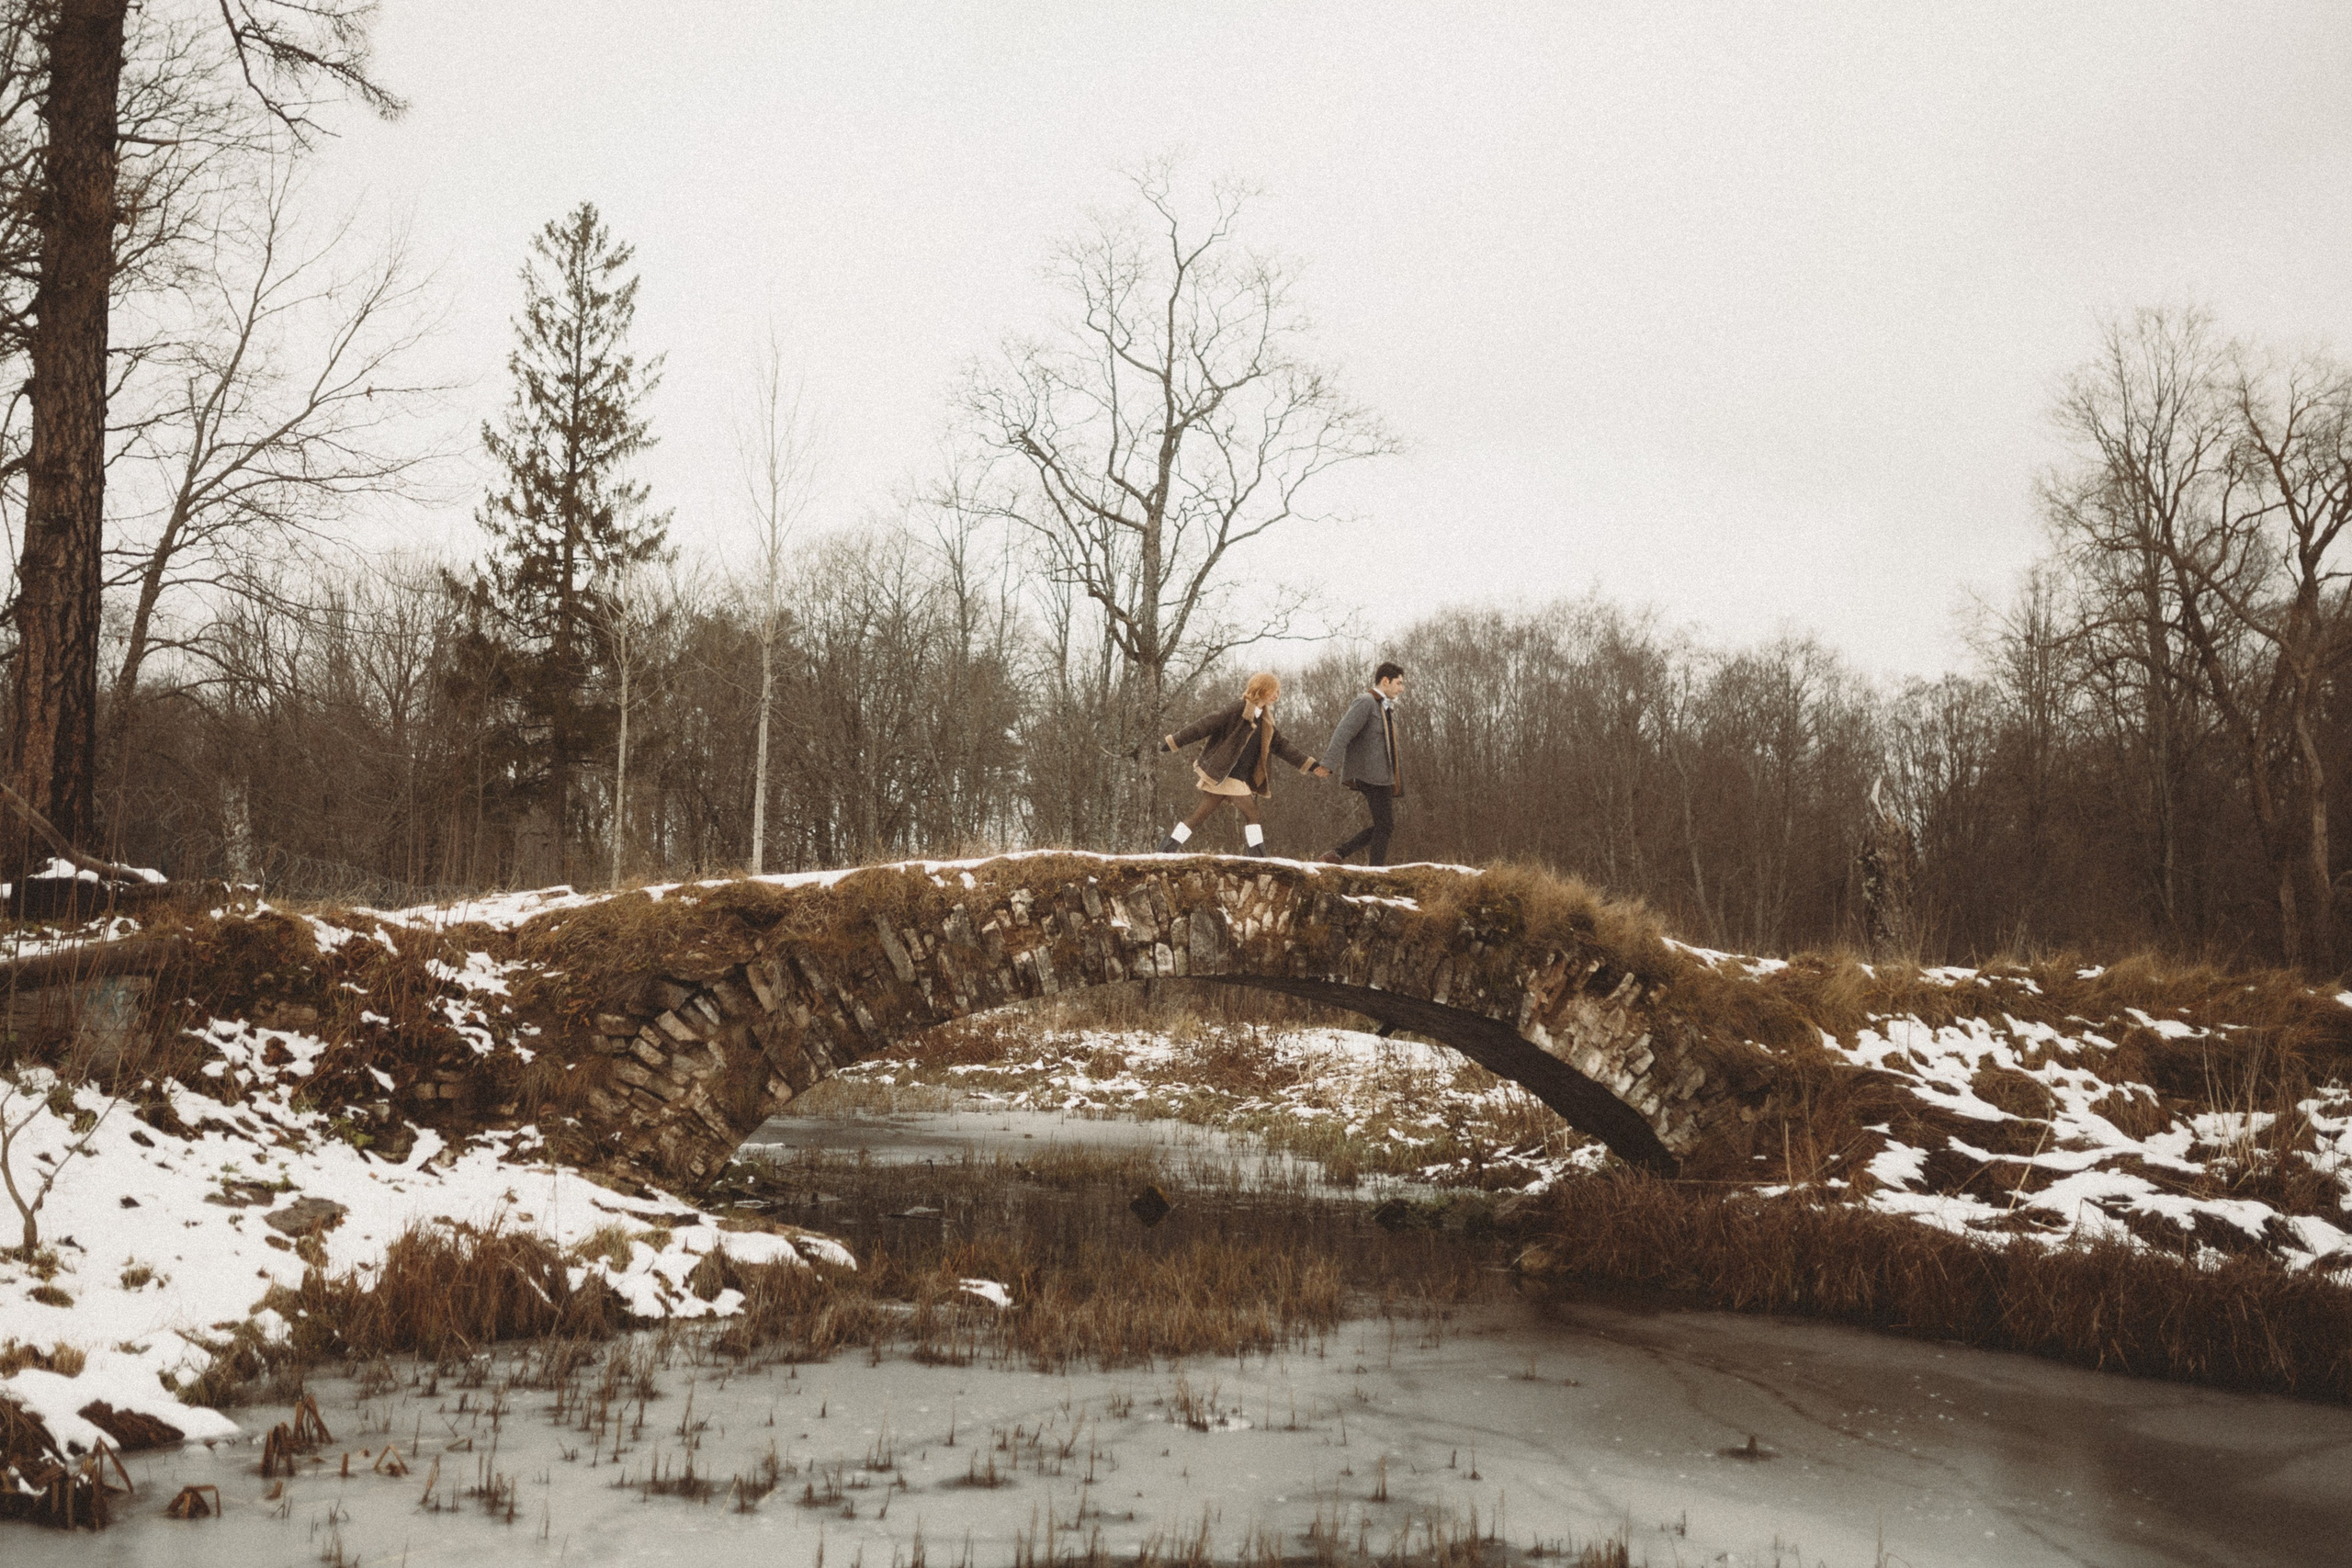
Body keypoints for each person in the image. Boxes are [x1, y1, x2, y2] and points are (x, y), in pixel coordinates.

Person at [1148, 672, 1329, 857]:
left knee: (1199, 816)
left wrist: (1312, 766)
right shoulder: (1237, 709)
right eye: (1274, 691)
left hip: (1234, 776)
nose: (1277, 695)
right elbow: (1205, 725)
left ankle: (1166, 850)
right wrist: (1175, 741)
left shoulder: (1265, 721)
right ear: (1262, 689)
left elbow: (1283, 747)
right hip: (1227, 773)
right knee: (1253, 813)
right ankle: (1259, 859)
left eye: (1278, 692)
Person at [1319, 661, 1406, 866]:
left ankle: (1338, 855)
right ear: (1385, 681)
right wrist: (1329, 763)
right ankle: (1375, 870)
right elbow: (1343, 732)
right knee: (1385, 825)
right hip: (1370, 774)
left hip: (1383, 775)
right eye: (1399, 683)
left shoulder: (1383, 706)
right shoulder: (1366, 702)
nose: (1402, 689)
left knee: (1384, 825)